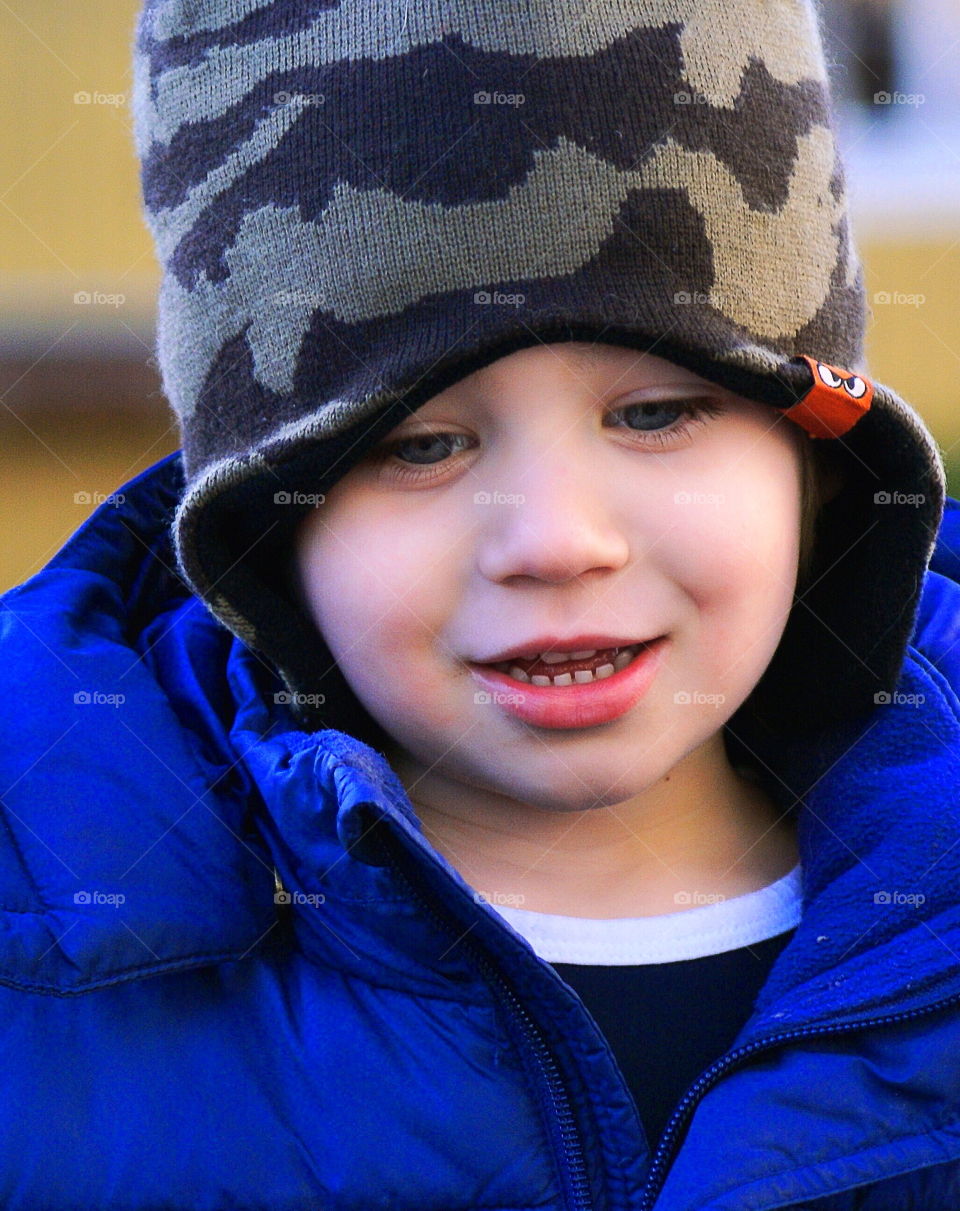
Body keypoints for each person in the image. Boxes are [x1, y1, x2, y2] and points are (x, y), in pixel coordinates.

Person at [1, 1, 959, 1207]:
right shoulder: (46, 978)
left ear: (821, 459)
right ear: (264, 523)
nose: (558, 540)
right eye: (420, 445)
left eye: (656, 413)